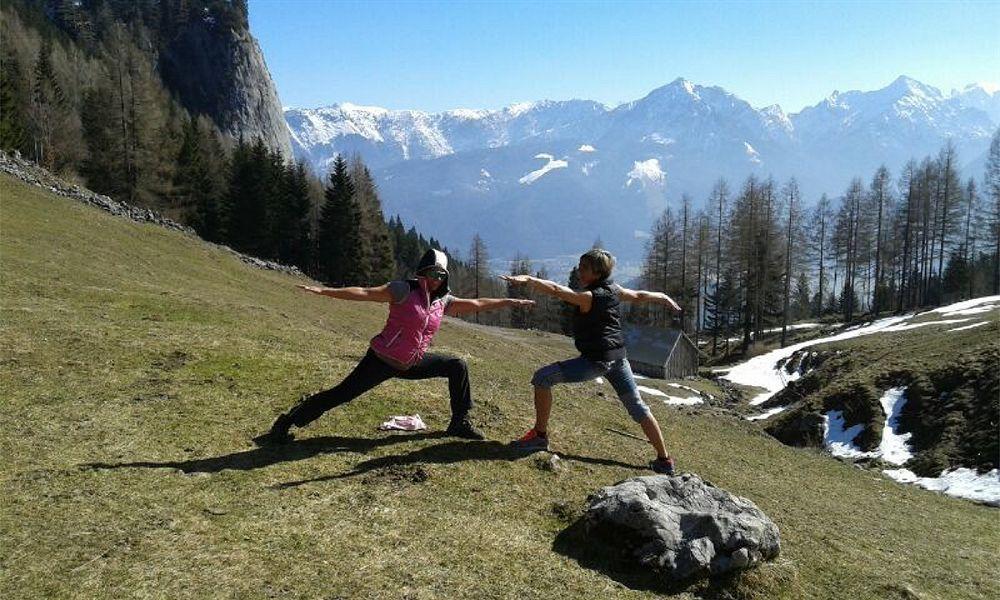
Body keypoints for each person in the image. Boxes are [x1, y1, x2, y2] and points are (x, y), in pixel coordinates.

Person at [258, 248, 533, 444]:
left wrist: (509, 302)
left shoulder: (443, 302)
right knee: (341, 394)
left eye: (441, 274)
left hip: (410, 363)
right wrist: (325, 291)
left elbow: (476, 305)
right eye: (432, 272)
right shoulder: (403, 290)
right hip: (381, 360)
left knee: (456, 366)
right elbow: (365, 293)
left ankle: (459, 423)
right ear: (422, 271)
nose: (436, 278)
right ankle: (286, 422)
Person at [503, 248, 681, 474]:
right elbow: (639, 296)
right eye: (580, 266)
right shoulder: (615, 291)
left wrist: (528, 279)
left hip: (597, 361)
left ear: (597, 273)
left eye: (584, 268)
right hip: (619, 359)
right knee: (637, 407)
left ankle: (539, 436)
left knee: (542, 378)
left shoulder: (589, 297)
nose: (579, 271)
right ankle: (664, 461)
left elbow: (558, 290)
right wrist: (663, 297)